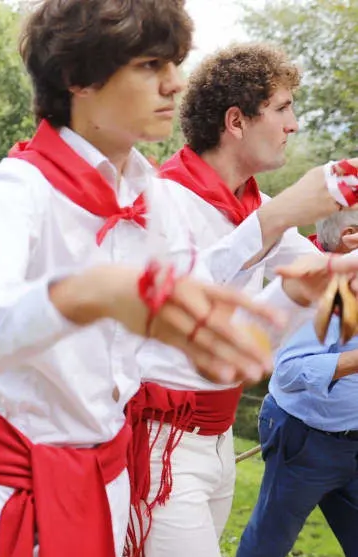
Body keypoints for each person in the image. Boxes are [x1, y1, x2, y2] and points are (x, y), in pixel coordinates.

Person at [0, 1, 358, 555]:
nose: (175, 83)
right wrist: (91, 293)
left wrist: (301, 293)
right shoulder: (16, 188)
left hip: (114, 470)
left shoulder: (147, 196)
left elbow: (199, 331)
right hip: (24, 482)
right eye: (151, 65)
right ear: (79, 78)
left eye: (174, 64)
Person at [128, 43, 324, 557]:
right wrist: (275, 219)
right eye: (282, 108)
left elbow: (324, 278)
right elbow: (179, 296)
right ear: (236, 121)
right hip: (163, 442)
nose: (293, 125)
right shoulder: (160, 197)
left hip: (216, 440)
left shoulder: (255, 207)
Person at [235, 212, 358, 557]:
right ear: (351, 236)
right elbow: (288, 371)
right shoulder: (319, 289)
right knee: (268, 545)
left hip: (352, 439)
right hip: (305, 439)